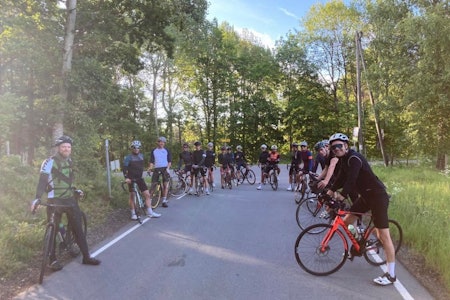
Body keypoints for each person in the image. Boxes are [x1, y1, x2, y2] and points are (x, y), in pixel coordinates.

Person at [326, 133, 397, 286]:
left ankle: (391, 275)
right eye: (333, 147)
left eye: (339, 145)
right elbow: (340, 178)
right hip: (365, 197)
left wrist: (342, 196)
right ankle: (359, 241)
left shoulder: (354, 158)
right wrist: (330, 191)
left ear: (346, 145)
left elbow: (351, 179)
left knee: (383, 236)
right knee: (346, 221)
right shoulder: (343, 160)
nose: (336, 149)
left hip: (377, 196)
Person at [31, 135, 100, 271]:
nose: (66, 149)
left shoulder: (70, 161)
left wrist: (76, 190)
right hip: (54, 200)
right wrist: (37, 198)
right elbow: (42, 181)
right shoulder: (48, 162)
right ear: (58, 148)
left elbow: (69, 181)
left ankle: (86, 257)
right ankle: (53, 260)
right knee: (53, 228)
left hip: (69, 199)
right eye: (63, 147)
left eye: (68, 147)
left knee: (77, 228)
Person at [123, 140, 162, 218]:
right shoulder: (128, 157)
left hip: (140, 178)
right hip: (131, 179)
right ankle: (133, 214)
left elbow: (145, 165)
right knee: (132, 196)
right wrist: (126, 178)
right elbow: (124, 169)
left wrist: (149, 168)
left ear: (140, 148)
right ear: (132, 148)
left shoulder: (141, 156)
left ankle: (150, 212)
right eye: (134, 147)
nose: (136, 149)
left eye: (138, 147)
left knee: (147, 195)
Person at [148, 136, 172, 207]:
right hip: (157, 168)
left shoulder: (167, 150)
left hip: (165, 168)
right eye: (160, 142)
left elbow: (169, 161)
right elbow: (151, 161)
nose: (161, 143)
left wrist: (168, 168)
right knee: (153, 185)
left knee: (165, 185)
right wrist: (150, 168)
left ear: (164, 143)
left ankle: (164, 200)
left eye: (163, 142)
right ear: (157, 142)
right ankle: (150, 201)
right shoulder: (154, 151)